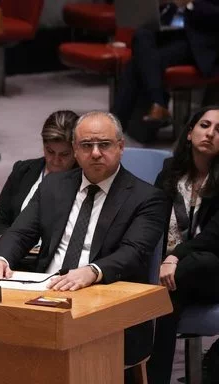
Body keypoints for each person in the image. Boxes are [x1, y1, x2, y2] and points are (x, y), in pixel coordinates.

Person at [0, 111, 166, 367]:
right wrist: (0, 257)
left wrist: (92, 271)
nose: (95, 153)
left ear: (121, 147)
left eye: (104, 144)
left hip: (104, 300)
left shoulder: (147, 198)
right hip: (45, 295)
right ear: (75, 150)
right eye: (86, 146)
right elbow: (20, 232)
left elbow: (133, 252)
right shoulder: (53, 186)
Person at [146, 106, 219, 383]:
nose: (210, 133)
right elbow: (151, 218)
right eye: (204, 125)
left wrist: (174, 257)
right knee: (168, 300)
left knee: (201, 262)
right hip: (172, 277)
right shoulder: (169, 173)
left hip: (211, 271)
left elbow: (214, 235)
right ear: (190, 133)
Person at [112, 0, 219, 142]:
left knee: (139, 61)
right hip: (175, 32)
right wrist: (163, 7)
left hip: (202, 42)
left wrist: (189, 4)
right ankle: (158, 104)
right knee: (141, 35)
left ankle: (114, 125)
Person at [0, 110, 79, 252]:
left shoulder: (86, 179)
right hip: (17, 256)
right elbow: (1, 219)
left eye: (64, 154)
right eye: (50, 151)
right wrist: (5, 240)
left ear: (76, 150)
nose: (55, 161)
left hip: (58, 261)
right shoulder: (22, 171)